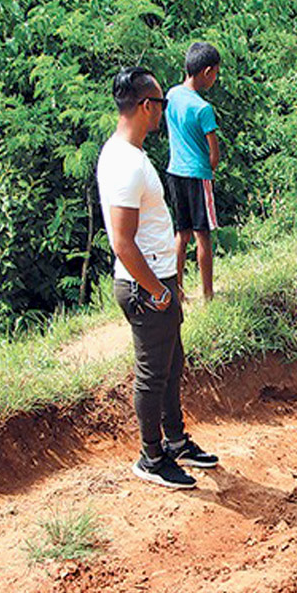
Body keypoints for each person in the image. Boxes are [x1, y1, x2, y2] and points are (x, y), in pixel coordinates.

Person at [97, 67, 219, 489]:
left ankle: (175, 440)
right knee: (152, 374)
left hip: (159, 281)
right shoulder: (126, 164)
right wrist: (156, 291)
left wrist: (169, 284)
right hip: (146, 287)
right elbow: (123, 242)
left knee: (171, 365)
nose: (163, 112)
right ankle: (151, 457)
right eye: (161, 105)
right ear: (147, 106)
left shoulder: (127, 153)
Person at [165, 42, 222, 302]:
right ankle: (208, 294)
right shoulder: (203, 108)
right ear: (207, 72)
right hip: (198, 175)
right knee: (203, 236)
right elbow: (214, 154)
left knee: (182, 233)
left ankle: (177, 289)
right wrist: (210, 167)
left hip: (174, 172)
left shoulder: (171, 95)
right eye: (216, 73)